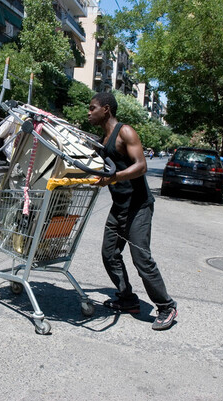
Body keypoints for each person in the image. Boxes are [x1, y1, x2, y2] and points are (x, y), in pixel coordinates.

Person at [88, 92, 177, 331]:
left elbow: (141, 166)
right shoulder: (104, 137)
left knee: (142, 260)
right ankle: (127, 299)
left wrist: (113, 177)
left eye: (92, 108)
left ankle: (166, 307)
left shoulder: (125, 132)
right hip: (119, 206)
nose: (89, 112)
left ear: (106, 109)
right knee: (109, 254)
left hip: (138, 206)